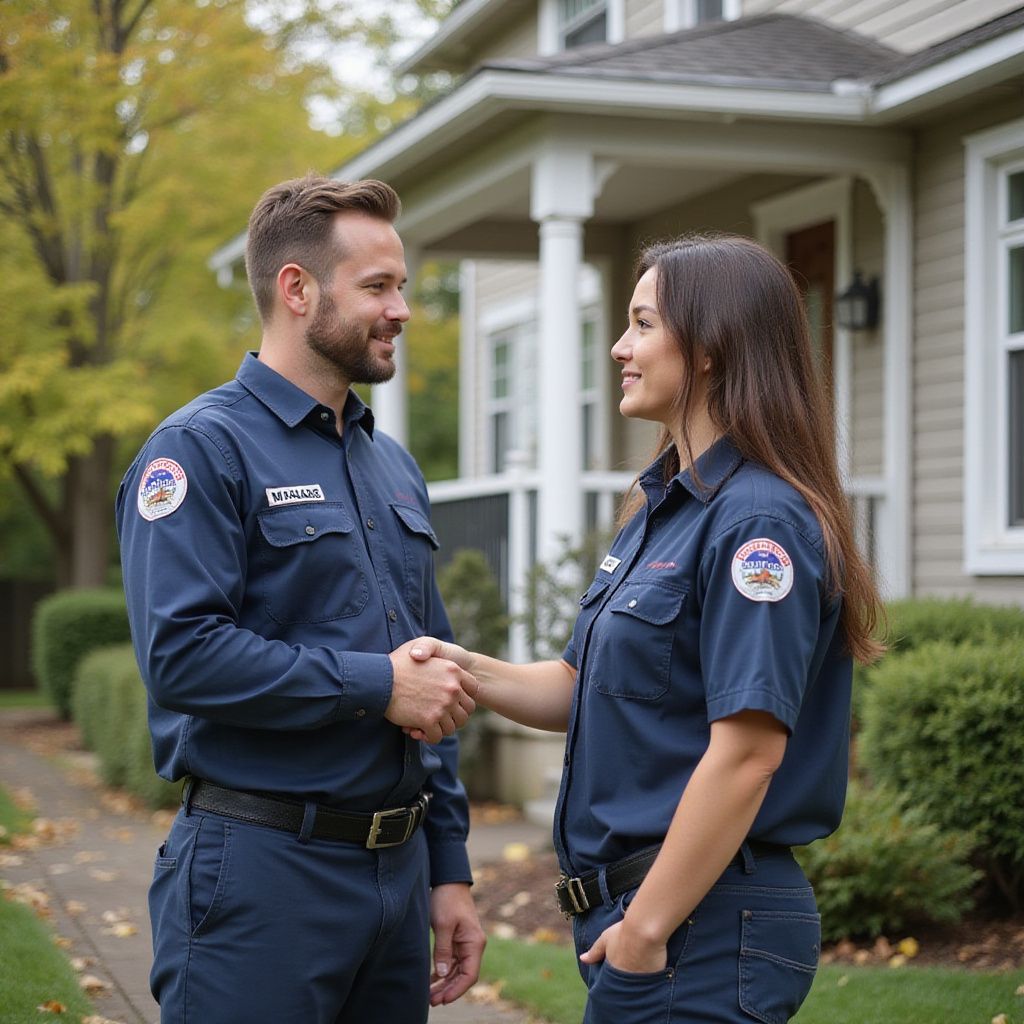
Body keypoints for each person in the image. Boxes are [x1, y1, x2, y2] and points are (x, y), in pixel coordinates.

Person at [409, 234, 884, 1023]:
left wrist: (646, 932)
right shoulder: (665, 510)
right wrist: (462, 667)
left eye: (642, 324)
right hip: (657, 918)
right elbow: (579, 685)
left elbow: (748, 752)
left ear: (708, 346)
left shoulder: (756, 522)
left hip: (696, 924)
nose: (620, 349)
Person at [115, 174, 485, 1024]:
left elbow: (435, 672)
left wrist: (449, 864)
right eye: (379, 287)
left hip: (395, 887)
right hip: (261, 874)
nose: (402, 310)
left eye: (403, 287)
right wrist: (375, 683)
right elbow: (181, 656)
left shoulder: (390, 466)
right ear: (296, 290)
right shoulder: (198, 452)